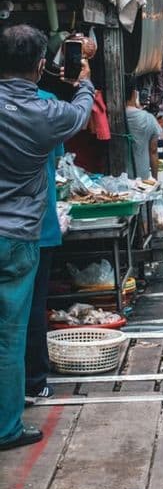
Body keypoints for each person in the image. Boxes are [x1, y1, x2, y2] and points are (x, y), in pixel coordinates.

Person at [0, 24, 94, 450]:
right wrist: (85, 81)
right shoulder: (46, 113)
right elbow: (81, 111)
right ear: (41, 66)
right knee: (11, 335)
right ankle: (7, 428)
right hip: (18, 237)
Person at [24, 91, 64, 400]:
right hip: (40, 224)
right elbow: (58, 156)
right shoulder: (48, 104)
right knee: (34, 307)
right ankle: (35, 381)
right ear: (39, 65)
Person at [125, 76, 161, 180]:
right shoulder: (148, 119)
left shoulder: (111, 118)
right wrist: (155, 180)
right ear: (134, 94)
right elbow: (153, 151)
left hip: (116, 180)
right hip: (142, 179)